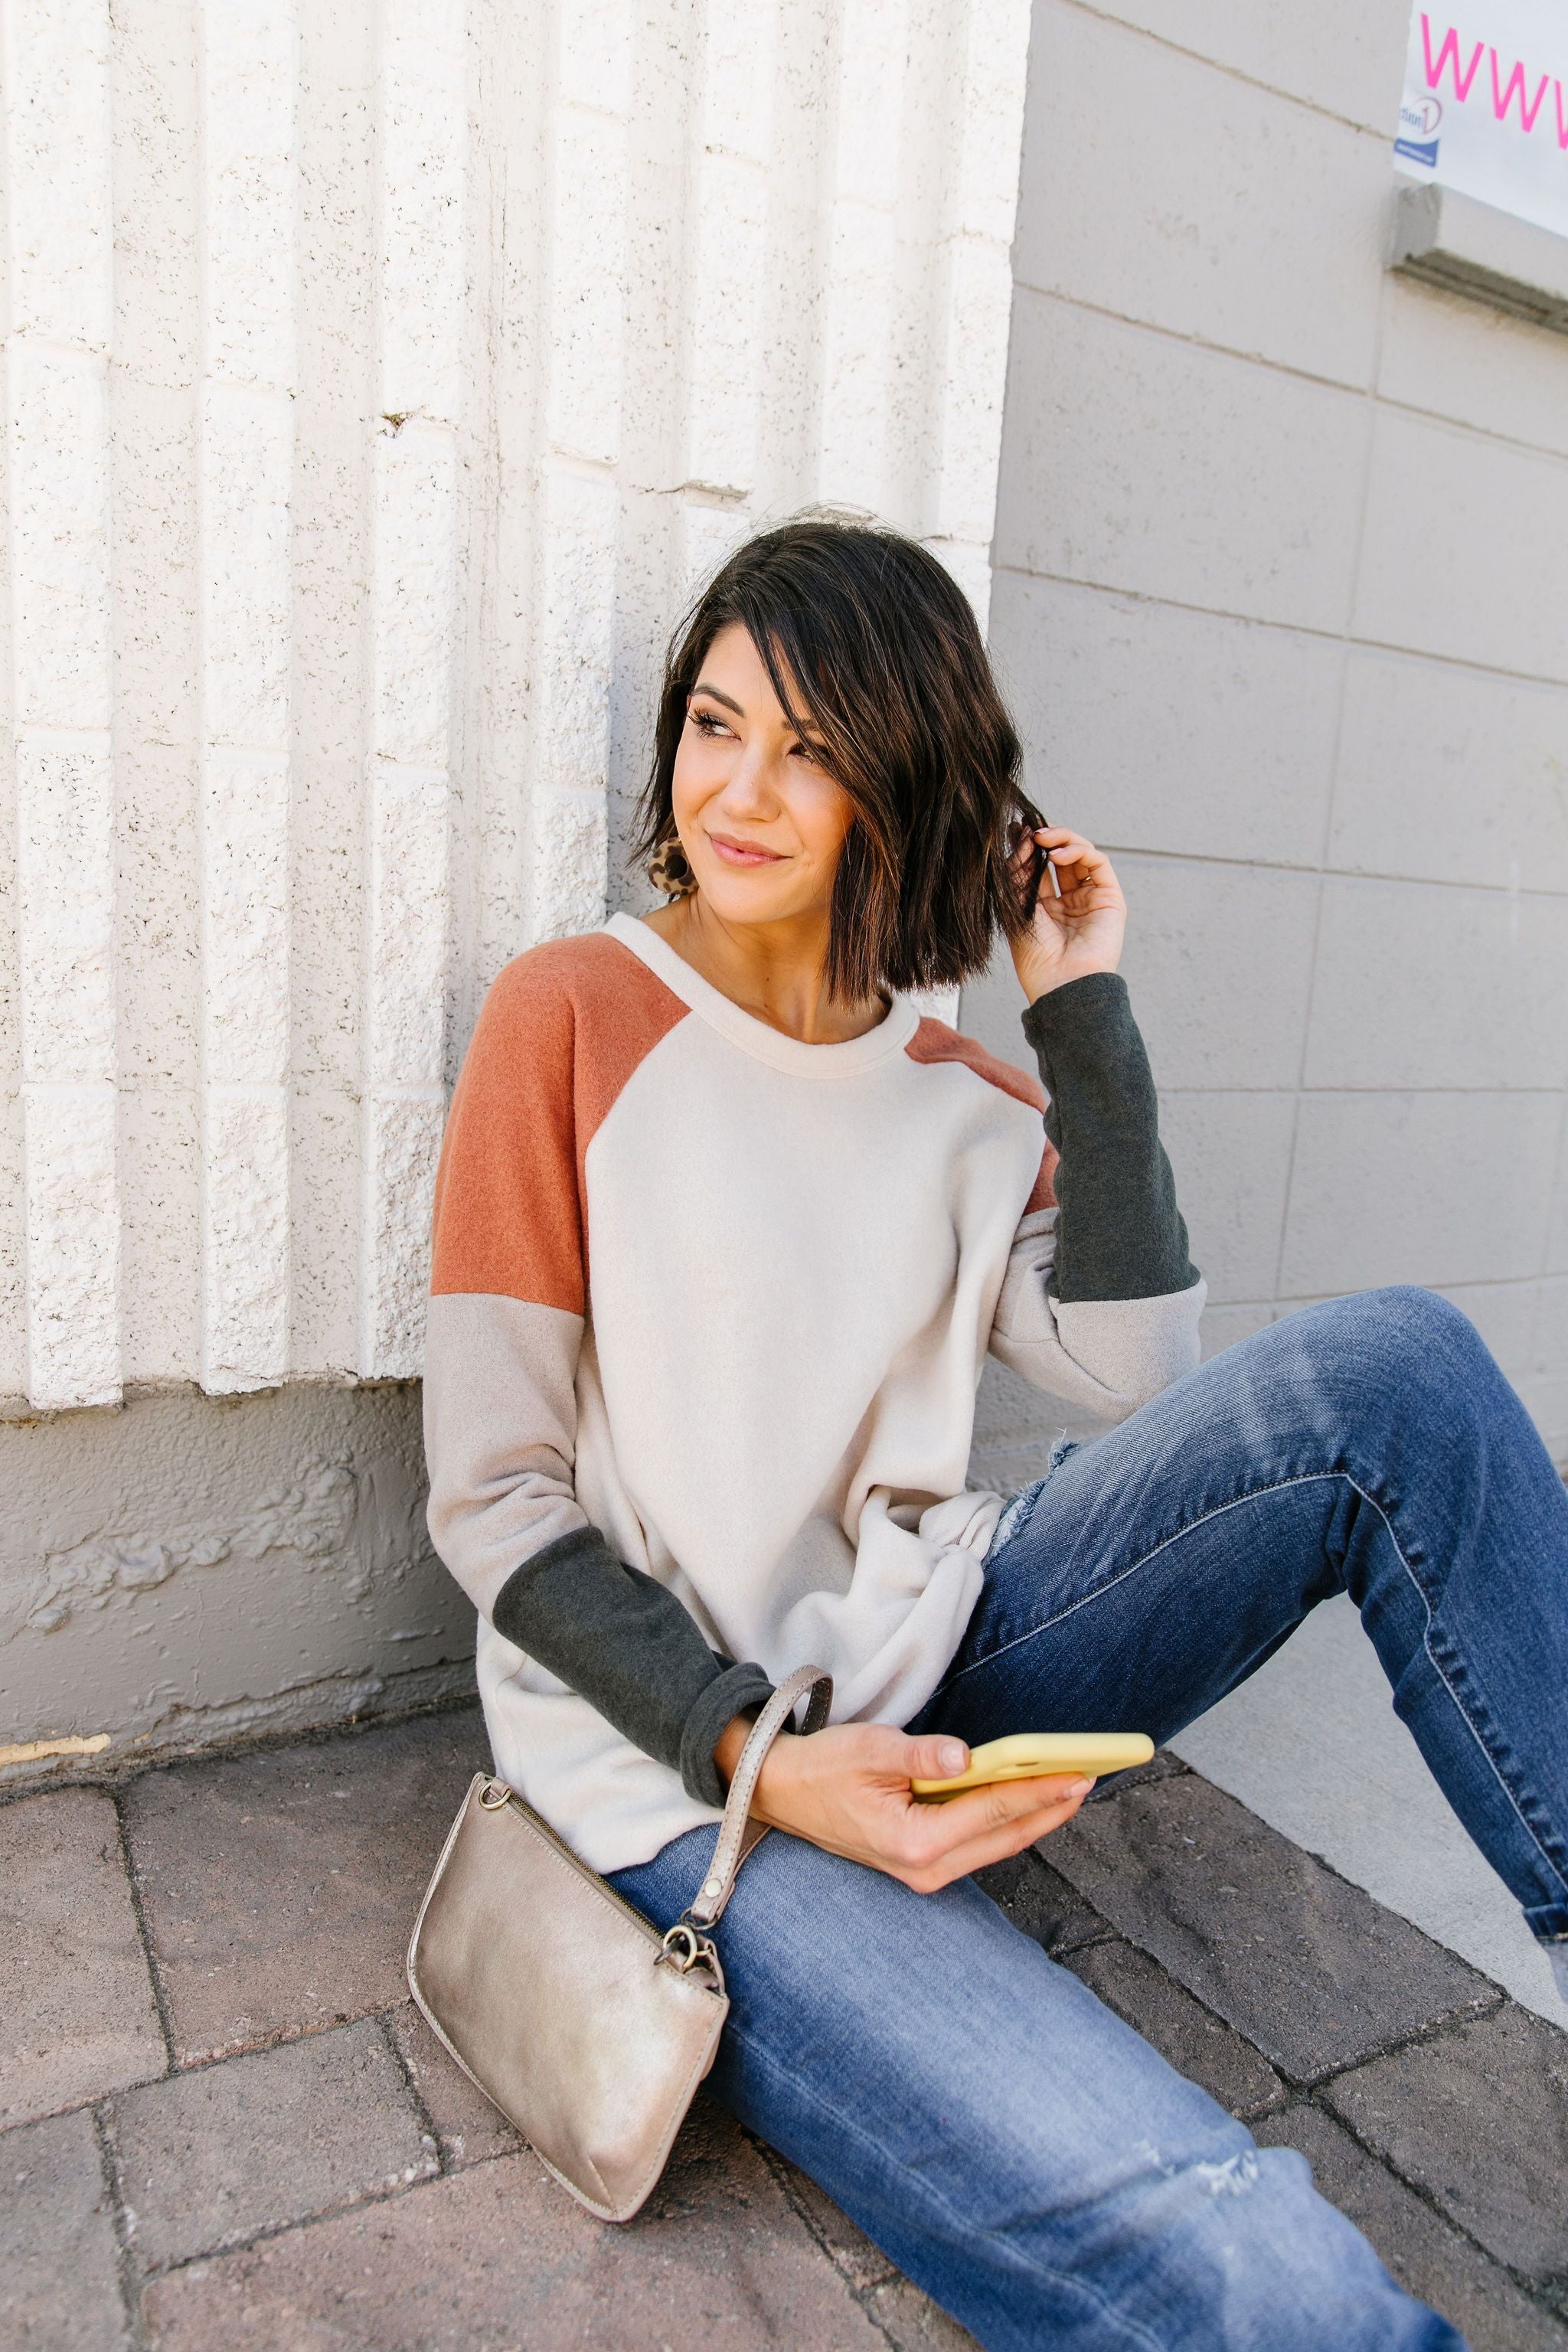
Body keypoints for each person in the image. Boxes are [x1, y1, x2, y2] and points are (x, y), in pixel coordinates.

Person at [423, 516, 1567, 2350]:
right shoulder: (570, 1017)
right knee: (1256, 2266)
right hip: (696, 1778)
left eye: (812, 749)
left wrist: (1081, 1012)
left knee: (1398, 1371)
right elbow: (492, 1497)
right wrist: (765, 1760)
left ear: (906, 784)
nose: (742, 788)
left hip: (932, 1654)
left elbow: (1128, 1364)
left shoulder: (960, 1091)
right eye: (716, 726)